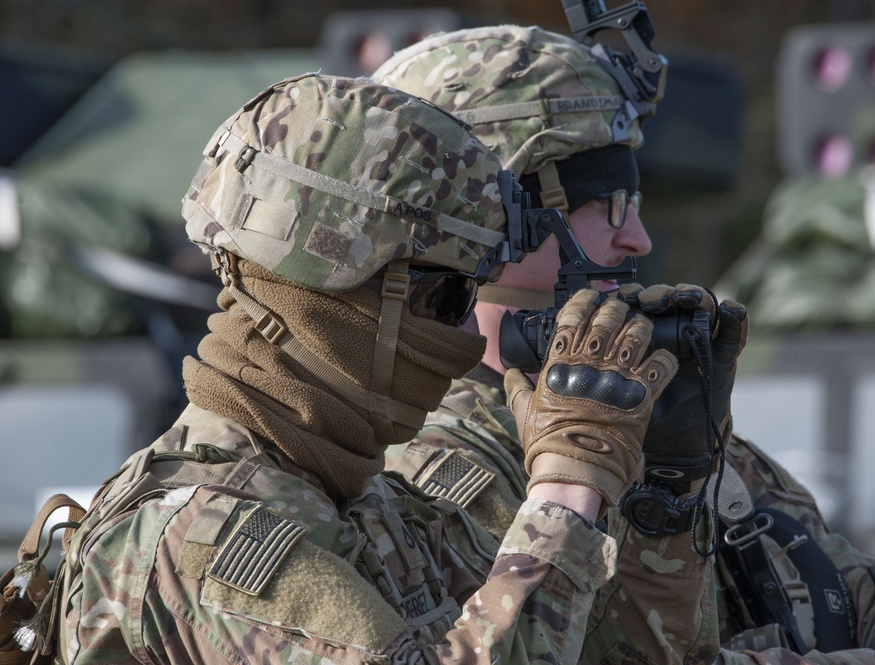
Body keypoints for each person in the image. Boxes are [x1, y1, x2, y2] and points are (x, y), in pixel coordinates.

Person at [373, 25, 875, 664]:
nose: (637, 238)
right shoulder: (416, 479)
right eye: (605, 203)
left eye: (635, 201)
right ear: (491, 218)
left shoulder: (678, 431)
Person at [47, 73, 680, 664]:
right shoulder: (209, 538)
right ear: (332, 300)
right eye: (449, 297)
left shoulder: (365, 499)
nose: (466, 331)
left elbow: (604, 648)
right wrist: (568, 489)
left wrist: (679, 473)